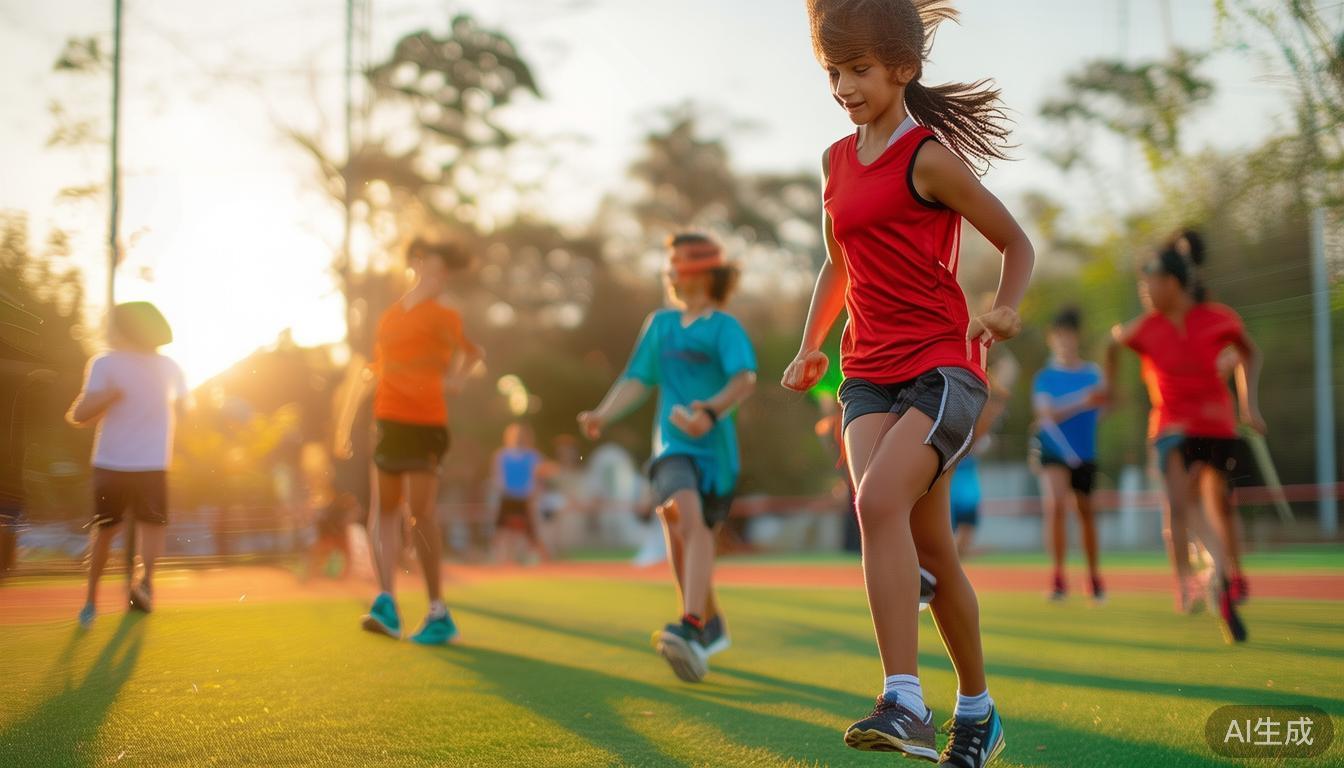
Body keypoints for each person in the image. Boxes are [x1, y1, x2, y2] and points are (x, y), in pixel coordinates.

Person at [782, 2, 1034, 763]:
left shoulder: (927, 157)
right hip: (866, 374)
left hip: (941, 369)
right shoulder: (835, 161)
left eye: (858, 70)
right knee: (925, 547)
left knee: (876, 503)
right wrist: (810, 346)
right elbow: (838, 264)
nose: (843, 87)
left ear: (903, 70)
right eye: (833, 72)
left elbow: (1015, 241)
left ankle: (905, 703)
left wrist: (1006, 307)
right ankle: (978, 712)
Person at [578, 233, 756, 683]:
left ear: (703, 271)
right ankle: (693, 624)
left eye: (677, 262)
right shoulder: (660, 324)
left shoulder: (723, 327)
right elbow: (637, 378)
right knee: (681, 515)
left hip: (715, 454)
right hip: (671, 447)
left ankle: (707, 624)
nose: (669, 271)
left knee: (689, 531)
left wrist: (709, 412)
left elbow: (744, 380)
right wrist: (603, 413)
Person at [1107, 229, 1262, 643]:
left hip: (1200, 426)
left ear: (1173, 282)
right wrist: (1110, 387)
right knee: (1193, 505)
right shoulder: (1150, 326)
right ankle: (1217, 575)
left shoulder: (1216, 317)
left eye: (1149, 283)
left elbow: (1247, 353)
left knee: (1188, 505)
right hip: (1190, 427)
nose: (1144, 291)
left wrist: (1249, 404)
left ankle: (1213, 574)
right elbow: (1113, 343)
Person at [347, 239, 484, 645]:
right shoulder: (389, 316)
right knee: (384, 509)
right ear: (416, 265)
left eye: (444, 272)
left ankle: (438, 612)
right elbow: (376, 367)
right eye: (433, 268)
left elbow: (474, 353)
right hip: (388, 419)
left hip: (426, 423)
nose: (438, 278)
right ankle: (386, 602)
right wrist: (346, 422)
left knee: (420, 514)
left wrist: (456, 380)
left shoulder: (445, 315)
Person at [67, 302, 190, 628]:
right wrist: (110, 396)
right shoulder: (107, 363)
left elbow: (184, 407)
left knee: (145, 526)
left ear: (126, 328)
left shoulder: (164, 366)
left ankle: (141, 586)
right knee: (112, 529)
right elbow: (80, 415)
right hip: (114, 462)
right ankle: (93, 600)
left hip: (147, 462)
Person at [1030, 307, 1105, 602]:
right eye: (1059, 336)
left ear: (1077, 337)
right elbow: (1046, 413)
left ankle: (1094, 577)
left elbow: (1103, 406)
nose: (1064, 341)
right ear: (1052, 339)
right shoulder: (1045, 377)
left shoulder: (1093, 373)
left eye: (1069, 335)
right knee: (1056, 506)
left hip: (1084, 451)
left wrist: (1095, 403)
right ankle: (1058, 577)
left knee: (1086, 512)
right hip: (1053, 449)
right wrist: (1082, 401)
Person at [490, 422, 550, 564]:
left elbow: (539, 478)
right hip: (507, 497)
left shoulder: (533, 456)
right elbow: (498, 476)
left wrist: (534, 493)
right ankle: (503, 560)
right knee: (503, 532)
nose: (518, 438)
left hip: (525, 497)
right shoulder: (502, 455)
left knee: (531, 532)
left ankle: (545, 560)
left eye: (521, 435)